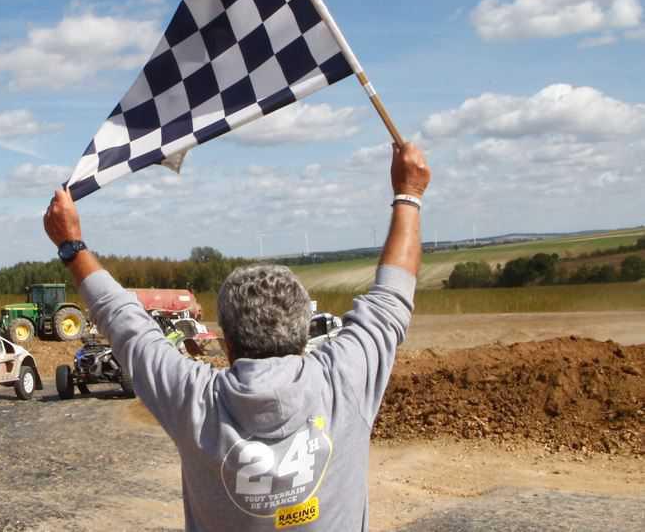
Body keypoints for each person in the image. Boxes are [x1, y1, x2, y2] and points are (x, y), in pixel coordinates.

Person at [43, 143, 431, 531]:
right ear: (303, 333)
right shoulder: (344, 378)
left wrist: (72, 246)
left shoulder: (194, 400)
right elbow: (391, 297)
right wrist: (408, 194)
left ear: (227, 343)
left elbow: (126, 323)